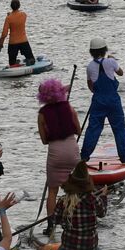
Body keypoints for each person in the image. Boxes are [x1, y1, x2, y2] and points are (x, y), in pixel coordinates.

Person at [37, 78, 80, 236]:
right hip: (72, 149)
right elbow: (79, 130)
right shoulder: (69, 107)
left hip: (55, 151)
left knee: (53, 191)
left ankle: (51, 225)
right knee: (74, 189)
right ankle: (74, 219)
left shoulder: (42, 114)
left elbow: (43, 140)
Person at [79, 38, 125, 164]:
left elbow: (90, 86)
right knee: (119, 129)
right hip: (113, 100)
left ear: (91, 52)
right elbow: (121, 73)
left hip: (98, 100)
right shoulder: (111, 61)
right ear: (104, 50)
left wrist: (99, 94)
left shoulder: (90, 67)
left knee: (93, 129)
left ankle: (84, 157)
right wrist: (113, 59)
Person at [52, 162, 108, 250]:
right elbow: (102, 213)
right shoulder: (94, 200)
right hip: (90, 249)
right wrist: (103, 196)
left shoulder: (63, 201)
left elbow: (55, 220)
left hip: (68, 249)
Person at [0, 0, 36, 68]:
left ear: (11, 6)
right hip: (23, 42)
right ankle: (29, 61)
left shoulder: (8, 18)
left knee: (12, 64)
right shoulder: (24, 15)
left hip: (13, 43)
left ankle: (15, 63)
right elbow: (18, 15)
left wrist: (1, 43)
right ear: (19, 6)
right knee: (32, 59)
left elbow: (4, 34)